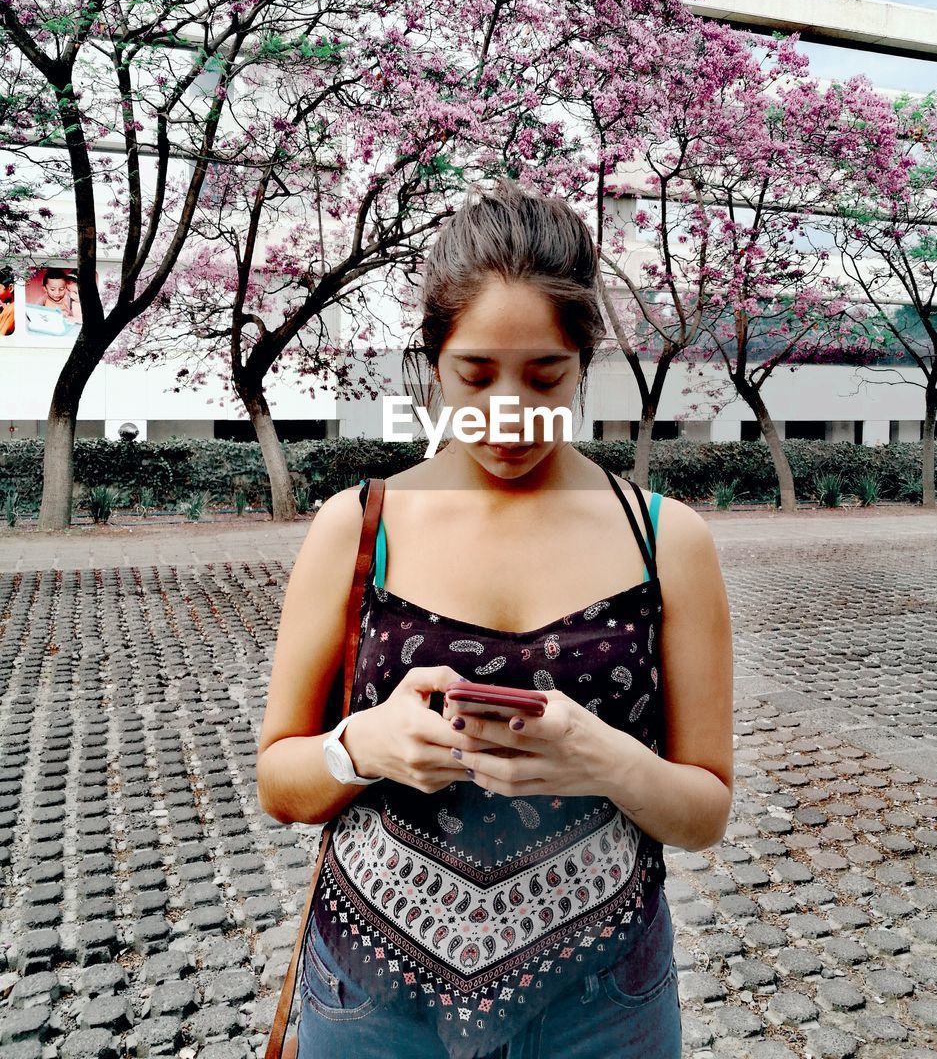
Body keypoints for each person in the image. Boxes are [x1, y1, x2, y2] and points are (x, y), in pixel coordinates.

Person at [257, 180, 734, 1059]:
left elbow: (704, 812)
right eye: (475, 374)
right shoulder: (358, 526)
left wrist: (607, 759)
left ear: (583, 360)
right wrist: (360, 747)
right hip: (370, 1000)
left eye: (544, 375)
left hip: (606, 1005)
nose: (508, 411)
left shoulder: (668, 539)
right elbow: (280, 783)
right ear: (433, 364)